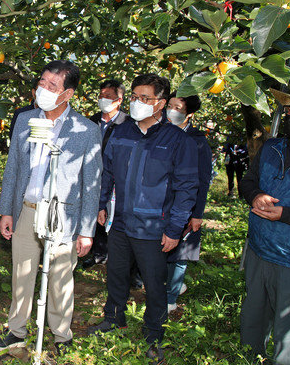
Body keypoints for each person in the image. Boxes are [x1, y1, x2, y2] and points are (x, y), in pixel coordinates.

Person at [0, 60, 102, 354]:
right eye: (42, 82)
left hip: (63, 215)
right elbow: (12, 167)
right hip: (27, 209)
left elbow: (92, 184)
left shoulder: (86, 130)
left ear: (68, 94)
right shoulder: (25, 120)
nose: (44, 89)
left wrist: (86, 230)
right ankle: (16, 331)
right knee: (22, 274)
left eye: (53, 85)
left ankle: (61, 336)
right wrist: (7, 210)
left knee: (61, 278)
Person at [88, 74, 198, 362]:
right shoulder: (122, 132)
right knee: (116, 275)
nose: (137, 102)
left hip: (154, 226)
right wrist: (101, 204)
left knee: (153, 283)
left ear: (161, 103)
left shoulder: (177, 140)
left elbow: (186, 188)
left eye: (145, 98)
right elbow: (107, 172)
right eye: (135, 96)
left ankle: (153, 334)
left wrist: (174, 229)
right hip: (121, 221)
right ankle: (114, 318)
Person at [239, 88, 290, 365]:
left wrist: (285, 214)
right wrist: (256, 195)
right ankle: (249, 358)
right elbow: (247, 182)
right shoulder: (271, 147)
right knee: (253, 316)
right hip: (258, 247)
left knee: (287, 328)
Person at [164, 94, 212, 313]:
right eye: (169, 106)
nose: (172, 111)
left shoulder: (197, 140)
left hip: (186, 203)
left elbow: (203, 180)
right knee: (164, 249)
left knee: (181, 253)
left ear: (189, 114)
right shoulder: (161, 132)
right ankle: (170, 287)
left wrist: (197, 213)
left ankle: (171, 298)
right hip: (163, 202)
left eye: (178, 108)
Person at [82, 79, 127, 269]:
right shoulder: (91, 121)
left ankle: (118, 256)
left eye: (107, 96)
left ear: (119, 100)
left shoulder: (127, 124)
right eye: (101, 96)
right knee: (93, 211)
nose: (103, 99)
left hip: (115, 178)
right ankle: (98, 253)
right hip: (90, 174)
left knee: (110, 213)